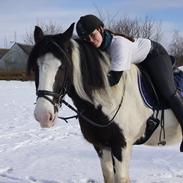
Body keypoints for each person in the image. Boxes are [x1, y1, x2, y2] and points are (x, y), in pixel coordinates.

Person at [76, 14, 183, 151]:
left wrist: (86, 86)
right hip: (136, 58)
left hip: (154, 55)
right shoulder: (96, 49)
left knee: (169, 92)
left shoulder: (118, 44)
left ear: (101, 29)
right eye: (86, 39)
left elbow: (114, 79)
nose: (90, 40)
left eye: (92, 35)